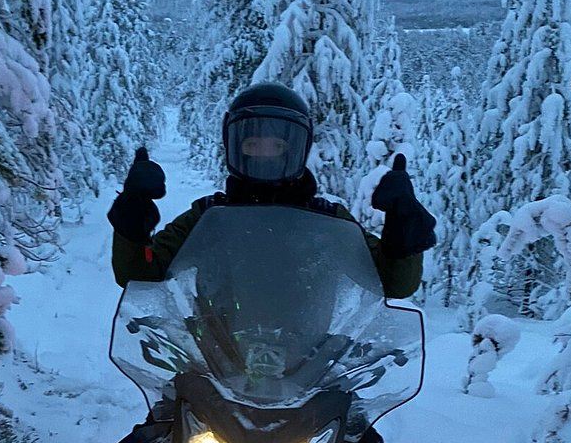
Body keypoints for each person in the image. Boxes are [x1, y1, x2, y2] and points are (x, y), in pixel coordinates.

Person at [107, 83, 435, 299]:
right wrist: (132, 221)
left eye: (275, 145)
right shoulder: (209, 216)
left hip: (310, 367)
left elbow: (392, 283)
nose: (263, 154)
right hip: (215, 360)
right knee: (167, 406)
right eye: (252, 144)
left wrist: (401, 236)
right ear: (234, 146)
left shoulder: (328, 221)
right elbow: (139, 273)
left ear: (295, 148)